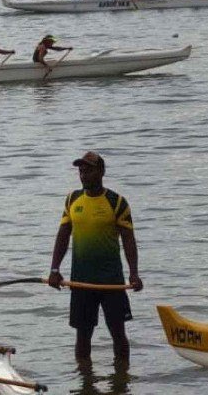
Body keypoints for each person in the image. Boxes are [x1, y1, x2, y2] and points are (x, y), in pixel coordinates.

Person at [48, 151, 142, 363]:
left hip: (111, 281)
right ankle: (85, 377)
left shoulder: (117, 202)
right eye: (81, 171)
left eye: (88, 171)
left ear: (101, 172)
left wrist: (134, 274)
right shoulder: (72, 200)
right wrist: (54, 270)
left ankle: (122, 377)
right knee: (82, 337)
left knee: (118, 333)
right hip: (81, 280)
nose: (83, 176)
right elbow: (63, 236)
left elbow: (129, 240)